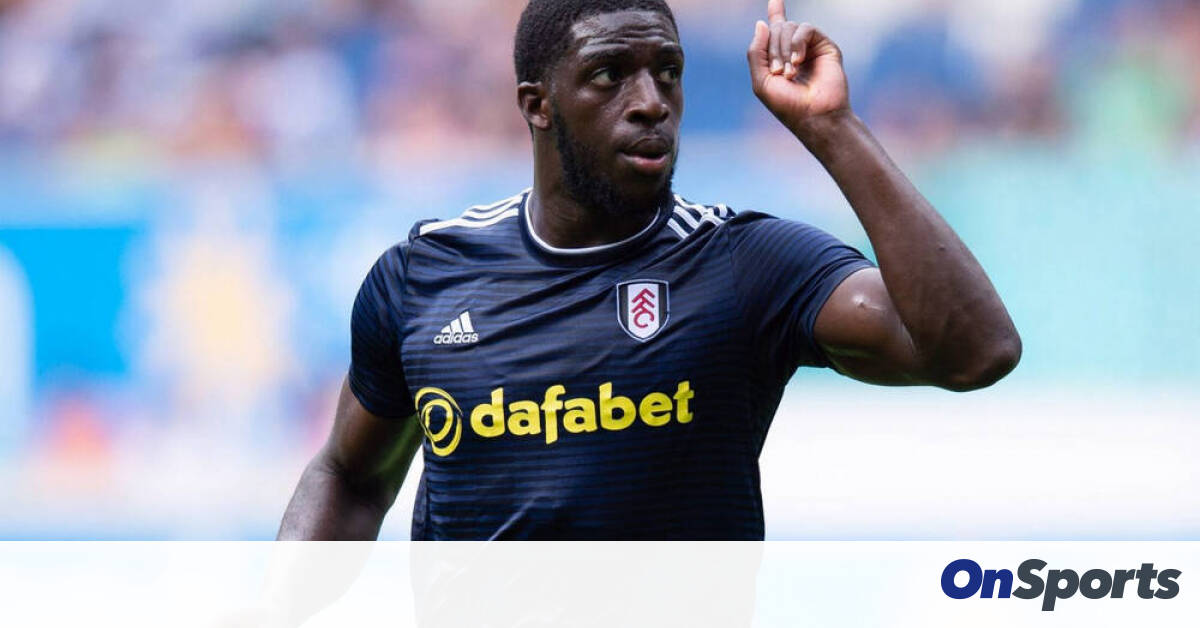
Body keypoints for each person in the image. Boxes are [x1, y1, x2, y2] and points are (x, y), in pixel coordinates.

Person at [278, 0, 1020, 541]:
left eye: (668, 73)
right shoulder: (424, 276)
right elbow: (350, 476)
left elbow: (976, 351)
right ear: (538, 105)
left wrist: (831, 128)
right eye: (609, 76)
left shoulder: (744, 264)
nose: (650, 103)